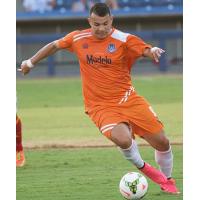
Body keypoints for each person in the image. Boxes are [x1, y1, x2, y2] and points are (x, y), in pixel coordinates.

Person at [18, 2, 180, 194]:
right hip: (100, 106)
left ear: (111, 20)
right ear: (90, 21)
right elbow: (54, 45)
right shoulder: (78, 37)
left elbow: (144, 48)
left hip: (129, 99)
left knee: (162, 142)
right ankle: (150, 172)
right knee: (123, 139)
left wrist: (151, 51)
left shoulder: (123, 39)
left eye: (105, 23)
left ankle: (168, 179)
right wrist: (30, 62)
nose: (101, 28)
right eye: (96, 24)